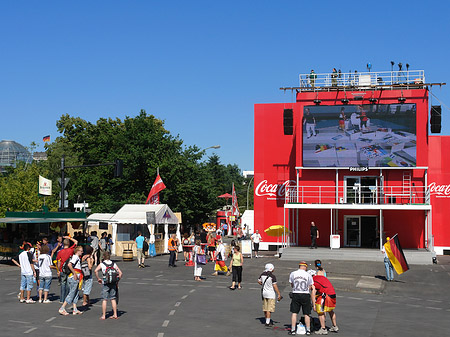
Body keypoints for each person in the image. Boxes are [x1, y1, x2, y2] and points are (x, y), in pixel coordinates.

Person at [288, 261, 314, 335]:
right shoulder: (308, 274)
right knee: (307, 313)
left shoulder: (293, 273)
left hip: (296, 293)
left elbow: (292, 284)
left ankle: (293, 329)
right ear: (305, 267)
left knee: (294, 312)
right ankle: (308, 330)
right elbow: (310, 285)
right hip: (305, 293)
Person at [95, 251, 123, 320]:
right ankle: (115, 314)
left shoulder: (102, 264)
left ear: (103, 257)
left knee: (104, 299)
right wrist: (117, 280)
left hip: (106, 283)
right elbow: (120, 273)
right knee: (113, 298)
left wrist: (98, 278)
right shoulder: (113, 264)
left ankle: (104, 315)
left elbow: (96, 270)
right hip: (113, 283)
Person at [312, 268, 339, 334]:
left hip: (326, 296)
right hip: (332, 294)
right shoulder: (323, 278)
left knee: (320, 311)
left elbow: (313, 293)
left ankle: (323, 329)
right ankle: (335, 326)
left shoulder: (313, 280)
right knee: (330, 310)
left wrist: (314, 305)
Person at [59, 246, 83, 316]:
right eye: (81, 251)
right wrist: (74, 273)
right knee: (72, 292)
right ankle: (62, 308)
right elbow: (70, 265)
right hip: (74, 277)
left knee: (76, 292)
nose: (82, 252)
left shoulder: (76, 257)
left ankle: (75, 309)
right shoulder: (75, 257)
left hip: (77, 276)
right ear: (77, 251)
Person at [258, 263, 282, 327]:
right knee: (269, 309)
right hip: (271, 293)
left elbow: (259, 281)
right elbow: (275, 286)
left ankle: (266, 319)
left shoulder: (262, 274)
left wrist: (263, 284)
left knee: (265, 308)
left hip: (264, 293)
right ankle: (268, 322)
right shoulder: (272, 276)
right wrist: (279, 294)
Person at [56, 236, 78, 304]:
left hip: (62, 269)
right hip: (69, 269)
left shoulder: (60, 252)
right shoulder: (71, 250)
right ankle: (67, 299)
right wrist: (69, 238)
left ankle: (62, 299)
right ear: (68, 244)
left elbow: (58, 262)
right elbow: (76, 242)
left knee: (63, 284)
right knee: (69, 285)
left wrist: (59, 270)